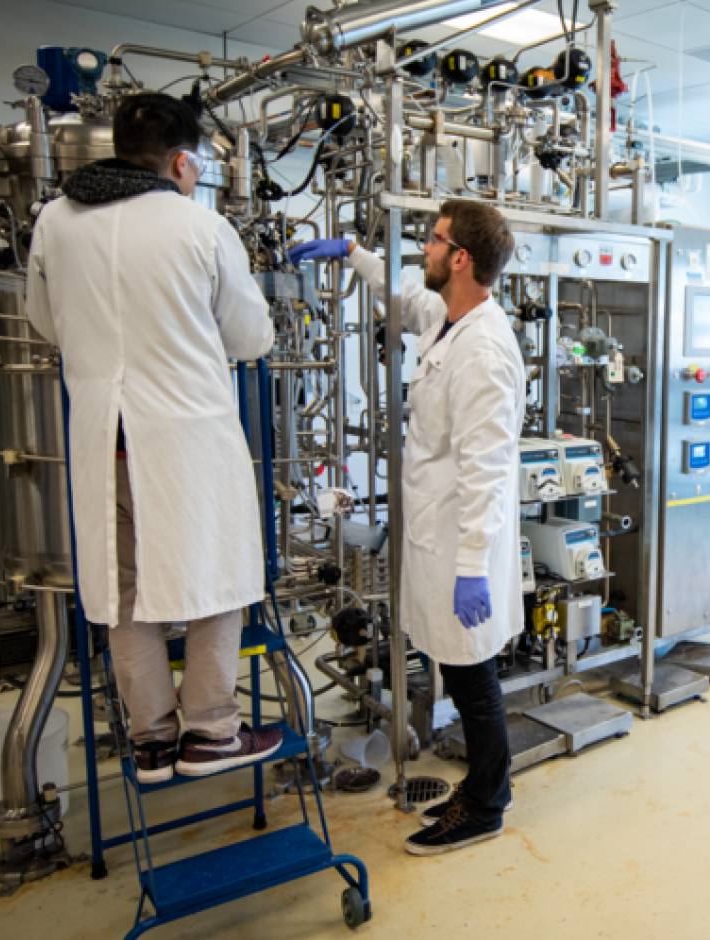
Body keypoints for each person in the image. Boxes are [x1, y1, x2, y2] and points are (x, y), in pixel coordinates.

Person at [26, 93, 280, 784]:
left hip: (102, 441)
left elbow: (43, 321)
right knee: (220, 577)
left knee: (123, 588)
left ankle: (151, 742)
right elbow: (252, 336)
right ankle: (213, 733)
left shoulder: (54, 220)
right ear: (178, 160)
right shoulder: (198, 226)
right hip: (185, 441)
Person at [290, 201, 524, 855]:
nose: (423, 247)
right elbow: (403, 301)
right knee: (460, 669)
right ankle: (480, 789)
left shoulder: (483, 350)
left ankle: (487, 804)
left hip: (460, 541)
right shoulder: (449, 322)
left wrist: (473, 564)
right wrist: (352, 254)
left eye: (434, 238)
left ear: (461, 259)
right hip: (435, 532)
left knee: (474, 679)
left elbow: (487, 471)